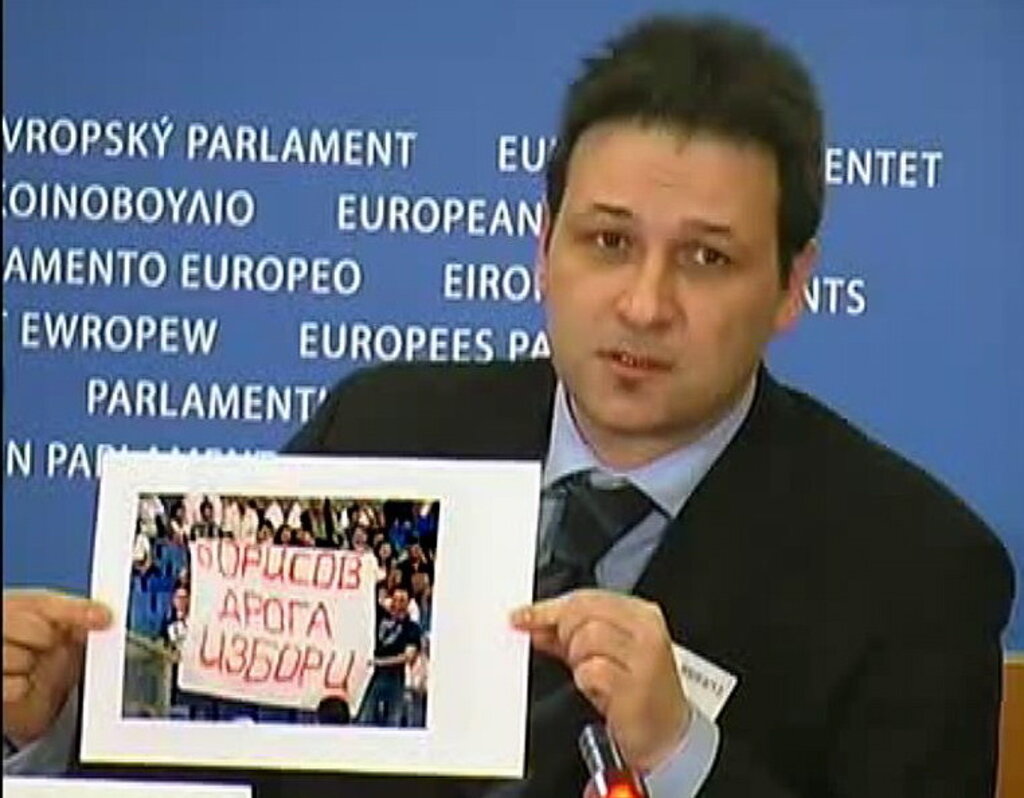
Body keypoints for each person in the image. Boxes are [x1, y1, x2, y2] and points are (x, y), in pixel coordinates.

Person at [2, 12, 1014, 798]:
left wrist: (682, 756)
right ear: (543, 246)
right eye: (608, 242)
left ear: (792, 286)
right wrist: (55, 725)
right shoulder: (380, 435)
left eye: (707, 259)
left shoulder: (917, 572)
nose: (644, 304)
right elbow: (218, 743)